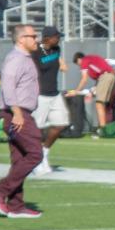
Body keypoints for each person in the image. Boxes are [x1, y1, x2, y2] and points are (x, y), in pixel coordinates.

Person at [0, 24, 44, 218]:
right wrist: (16, 112)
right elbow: (7, 86)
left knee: (20, 158)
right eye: (33, 36)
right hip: (16, 114)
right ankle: (0, 190)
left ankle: (16, 205)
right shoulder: (15, 59)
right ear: (21, 39)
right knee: (36, 153)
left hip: (18, 112)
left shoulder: (25, 58)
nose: (36, 39)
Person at [31, 26, 70, 174]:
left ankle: (44, 151)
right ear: (47, 38)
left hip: (55, 93)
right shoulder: (35, 52)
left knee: (61, 124)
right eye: (56, 36)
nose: (59, 39)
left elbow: (56, 60)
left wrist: (60, 61)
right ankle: (36, 160)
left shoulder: (57, 49)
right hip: (40, 94)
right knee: (38, 129)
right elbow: (41, 65)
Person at [71, 52, 115, 127]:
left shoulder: (84, 61)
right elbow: (100, 76)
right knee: (106, 104)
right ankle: (108, 124)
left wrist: (76, 91)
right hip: (112, 77)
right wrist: (93, 89)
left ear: (79, 59)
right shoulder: (92, 59)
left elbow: (84, 79)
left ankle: (102, 129)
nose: (79, 66)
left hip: (106, 77)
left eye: (77, 63)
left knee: (99, 103)